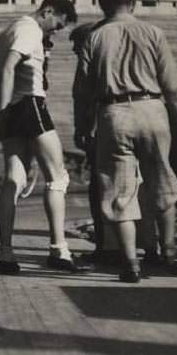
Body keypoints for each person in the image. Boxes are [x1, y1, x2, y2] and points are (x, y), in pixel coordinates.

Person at [78, 0, 177, 283]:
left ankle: (130, 262)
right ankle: (168, 253)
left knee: (119, 189)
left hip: (113, 114)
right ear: (133, 3)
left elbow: (83, 92)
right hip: (153, 109)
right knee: (162, 181)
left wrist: (83, 127)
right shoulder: (153, 32)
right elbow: (172, 86)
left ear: (102, 7)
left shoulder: (95, 37)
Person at [0, 0, 82, 275]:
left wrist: (3, 113)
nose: (56, 30)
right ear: (48, 11)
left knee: (13, 179)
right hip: (29, 105)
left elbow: (3, 70)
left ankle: (6, 253)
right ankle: (59, 249)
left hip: (13, 107)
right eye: (58, 24)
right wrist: (3, 114)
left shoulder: (10, 29)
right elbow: (8, 68)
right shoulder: (29, 30)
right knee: (58, 177)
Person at [71, 21, 114, 263]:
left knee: (99, 189)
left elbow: (93, 100)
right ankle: (108, 245)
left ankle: (106, 248)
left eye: (77, 44)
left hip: (99, 134)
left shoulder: (93, 66)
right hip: (100, 132)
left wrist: (88, 130)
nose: (74, 50)